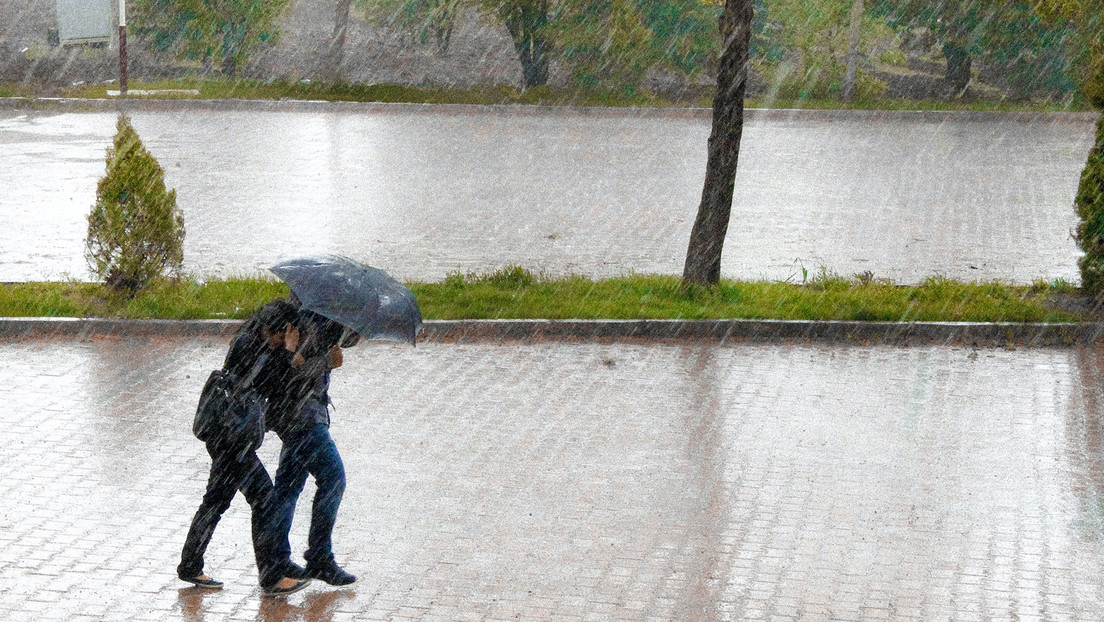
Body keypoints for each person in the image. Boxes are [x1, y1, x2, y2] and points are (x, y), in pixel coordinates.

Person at [177, 299, 312, 596]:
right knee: (264, 499)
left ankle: (190, 565)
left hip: (225, 435)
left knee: (216, 500)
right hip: (231, 440)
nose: (286, 339)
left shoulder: (252, 341)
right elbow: (274, 384)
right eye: (286, 334)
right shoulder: (252, 346)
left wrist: (288, 355)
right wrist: (289, 355)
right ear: (277, 329)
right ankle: (271, 576)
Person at [266, 310, 357, 586]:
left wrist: (355, 324)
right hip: (302, 418)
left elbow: (348, 340)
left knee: (288, 486)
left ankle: (277, 559)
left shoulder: (325, 316)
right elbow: (292, 374)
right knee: (333, 477)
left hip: (301, 415)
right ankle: (318, 556)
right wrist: (327, 361)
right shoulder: (305, 320)